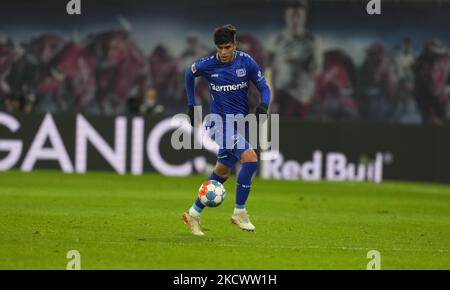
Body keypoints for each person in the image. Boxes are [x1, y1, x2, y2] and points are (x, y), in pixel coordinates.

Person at [182, 24, 271, 236]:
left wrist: (263, 106)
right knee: (250, 159)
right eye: (219, 48)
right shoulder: (208, 64)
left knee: (222, 172)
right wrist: (191, 105)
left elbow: (264, 88)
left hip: (240, 124)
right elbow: (189, 74)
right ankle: (239, 212)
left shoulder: (246, 62)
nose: (223, 52)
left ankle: (193, 213)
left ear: (234, 45)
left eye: (227, 47)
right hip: (218, 125)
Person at [268, 0, 317, 117]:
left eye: (298, 16)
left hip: (303, 97)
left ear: (304, 17)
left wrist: (300, 64)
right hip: (282, 95)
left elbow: (315, 71)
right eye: (291, 16)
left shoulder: (311, 41)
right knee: (279, 131)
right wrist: (271, 98)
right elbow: (269, 70)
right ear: (286, 16)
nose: (295, 20)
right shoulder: (276, 39)